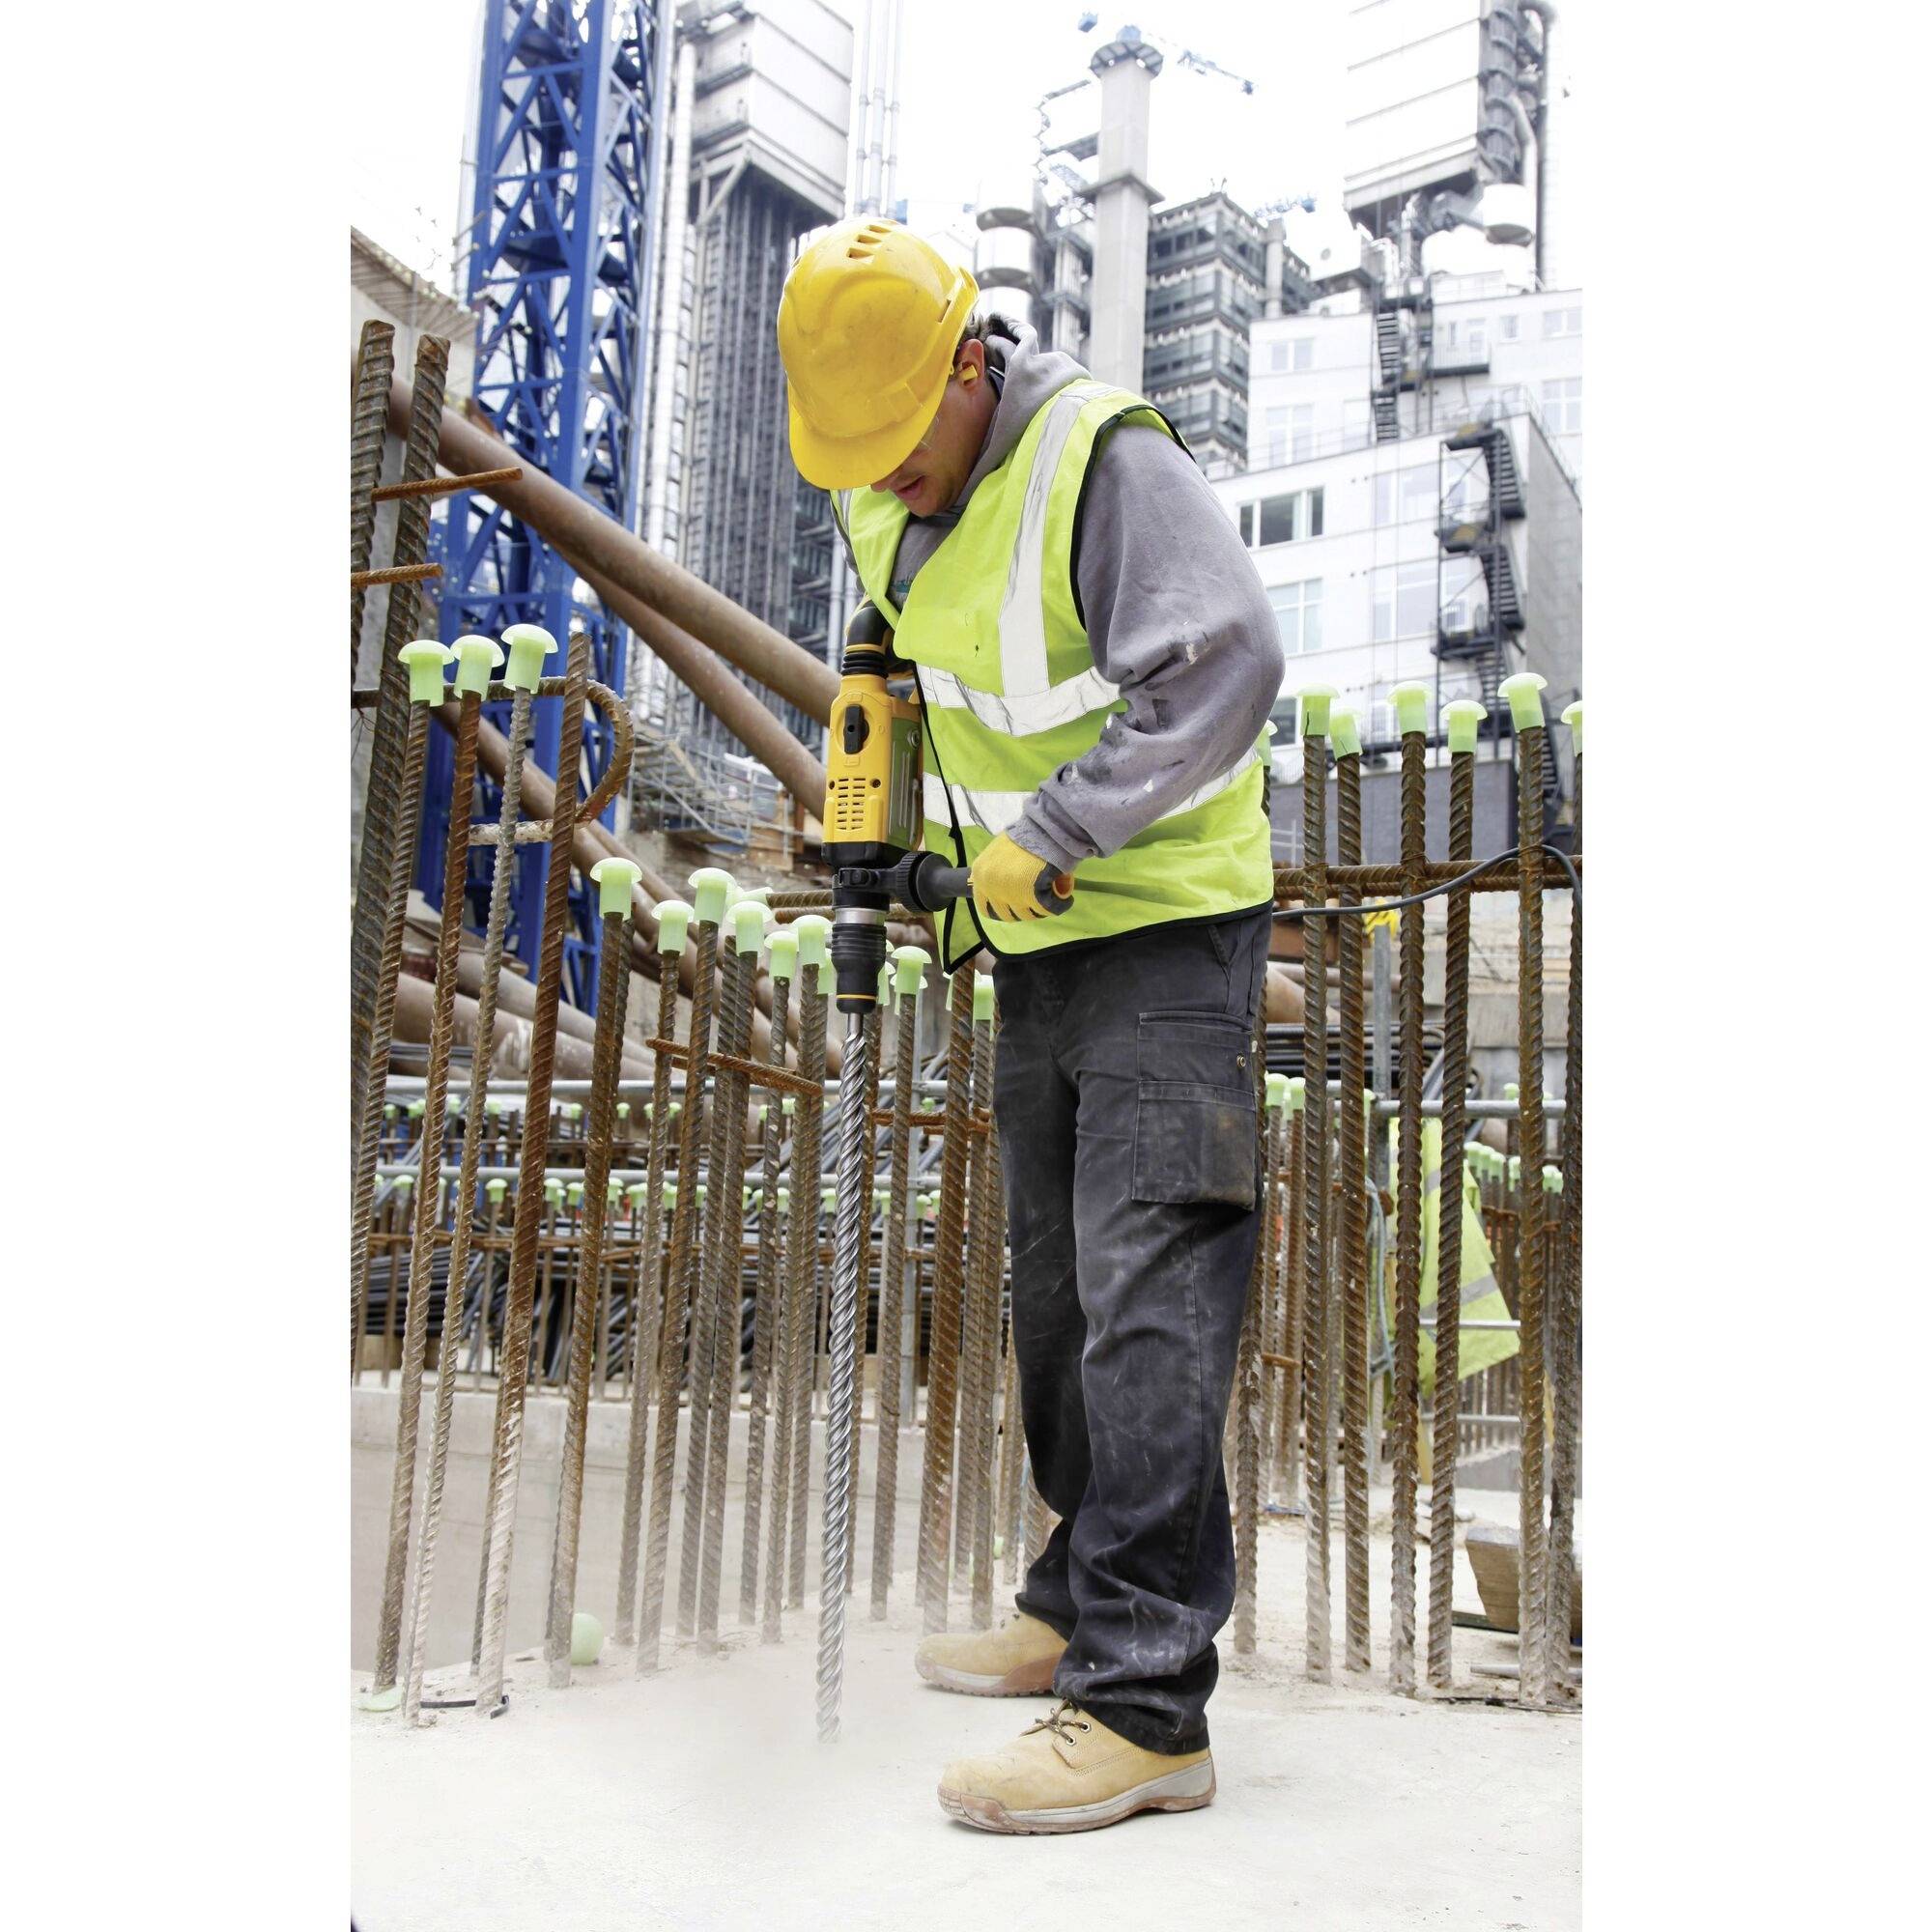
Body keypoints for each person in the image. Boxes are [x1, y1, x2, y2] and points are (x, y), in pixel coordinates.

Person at [777, 216, 1284, 1835]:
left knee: (1151, 1307)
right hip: (1032, 948)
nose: (885, 477)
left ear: (970, 368)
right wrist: (882, 819)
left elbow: (1225, 662)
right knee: (1055, 1302)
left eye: (900, 440)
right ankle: (1078, 1596)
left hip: (1164, 935)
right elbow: (909, 664)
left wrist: (1054, 830)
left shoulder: (1096, 460)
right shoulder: (883, 480)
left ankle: (1144, 1705)